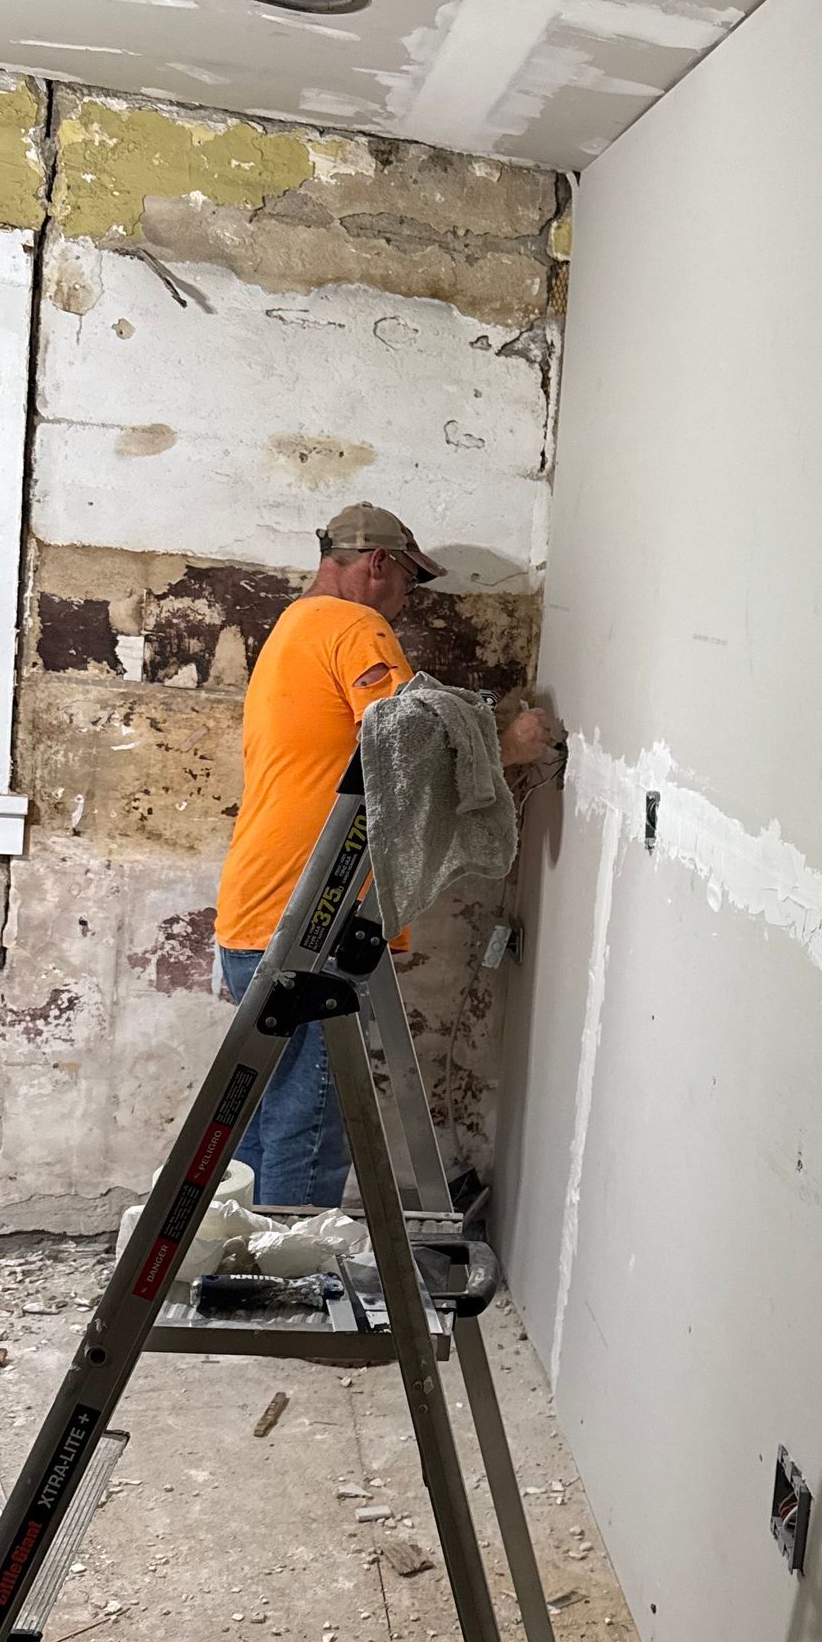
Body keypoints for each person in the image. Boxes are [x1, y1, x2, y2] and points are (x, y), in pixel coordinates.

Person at [213, 501, 559, 1204]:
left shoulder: (294, 626)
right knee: (309, 1127)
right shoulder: (354, 625)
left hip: (257, 908)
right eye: (409, 581)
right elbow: (406, 753)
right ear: (378, 564)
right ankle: (293, 1272)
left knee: (265, 1120)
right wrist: (510, 745)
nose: (407, 601)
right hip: (313, 917)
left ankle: (243, 1260)